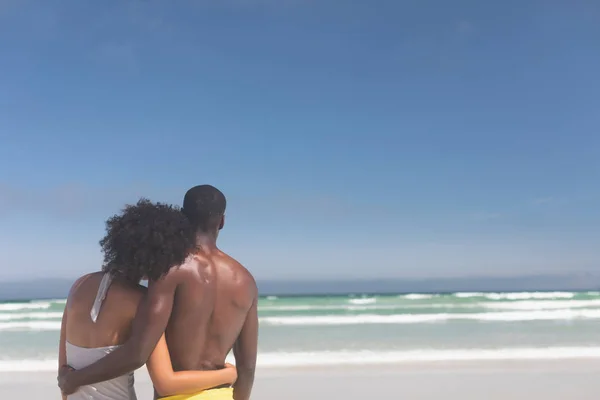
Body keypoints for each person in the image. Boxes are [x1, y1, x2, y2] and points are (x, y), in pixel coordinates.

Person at [59, 185, 259, 400]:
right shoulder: (246, 281)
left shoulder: (169, 270)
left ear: (181, 218)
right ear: (222, 221)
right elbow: (247, 367)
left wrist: (74, 380)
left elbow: (140, 352)